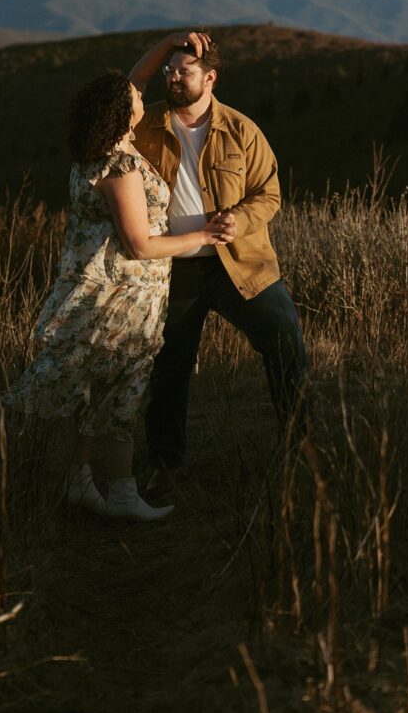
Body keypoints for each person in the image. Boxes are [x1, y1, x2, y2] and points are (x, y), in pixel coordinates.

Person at [3, 70, 234, 521]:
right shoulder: (120, 166)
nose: (141, 96)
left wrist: (169, 43)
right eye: (134, 96)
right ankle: (124, 493)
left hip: (97, 287)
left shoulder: (95, 154)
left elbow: (134, 78)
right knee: (122, 389)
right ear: (120, 111)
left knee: (91, 386)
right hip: (123, 295)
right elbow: (140, 244)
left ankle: (78, 480)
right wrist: (204, 235)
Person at [129, 32, 308, 498]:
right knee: (169, 366)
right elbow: (130, 86)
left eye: (183, 70)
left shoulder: (241, 130)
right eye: (169, 70)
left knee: (285, 337)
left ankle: (299, 450)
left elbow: (268, 192)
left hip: (239, 264)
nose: (172, 76)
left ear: (209, 77)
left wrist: (241, 219)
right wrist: (168, 43)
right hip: (172, 268)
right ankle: (166, 466)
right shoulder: (146, 126)